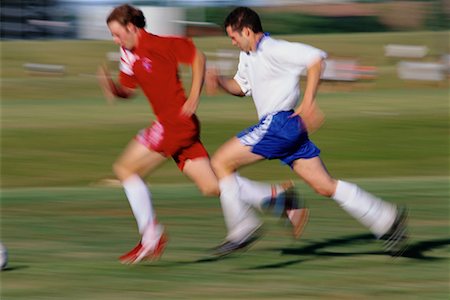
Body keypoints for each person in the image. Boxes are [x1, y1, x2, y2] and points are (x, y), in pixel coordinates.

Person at [97, 4, 308, 264]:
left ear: (131, 27)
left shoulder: (162, 44)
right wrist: (114, 89)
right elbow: (128, 89)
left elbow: (198, 57)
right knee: (210, 186)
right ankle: (278, 199)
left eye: (117, 34)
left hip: (175, 124)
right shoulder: (126, 54)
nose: (115, 40)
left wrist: (194, 96)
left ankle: (151, 237)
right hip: (173, 126)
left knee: (125, 169)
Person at [206, 6, 408, 256]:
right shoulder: (248, 56)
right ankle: (386, 218)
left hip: (278, 124)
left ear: (247, 31)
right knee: (325, 186)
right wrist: (221, 82)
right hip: (290, 128)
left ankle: (243, 226)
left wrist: (309, 101)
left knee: (220, 162)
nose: (233, 42)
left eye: (234, 37)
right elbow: (240, 86)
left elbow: (315, 59)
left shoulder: (274, 48)